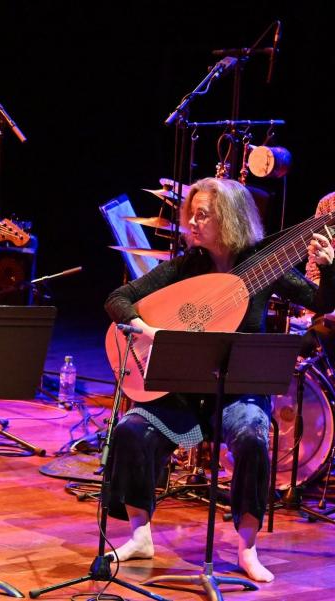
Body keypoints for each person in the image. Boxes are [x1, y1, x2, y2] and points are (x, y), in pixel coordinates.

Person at [104, 177, 335, 583]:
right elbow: (118, 299)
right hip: (180, 396)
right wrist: (151, 332)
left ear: (228, 218)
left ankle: (247, 548)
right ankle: (140, 535)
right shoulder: (186, 266)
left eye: (202, 215)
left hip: (237, 392)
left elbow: (320, 302)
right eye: (190, 214)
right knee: (129, 430)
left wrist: (330, 269)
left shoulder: (263, 265)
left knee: (252, 436)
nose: (191, 222)